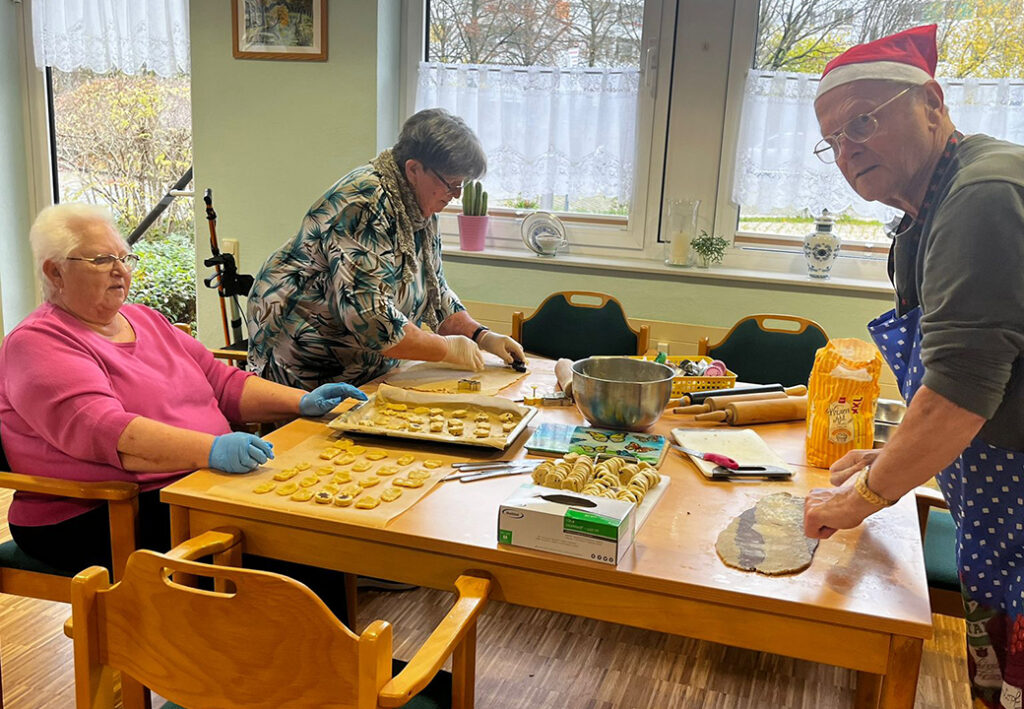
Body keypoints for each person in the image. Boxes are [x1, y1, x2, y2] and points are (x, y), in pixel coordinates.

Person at [802, 25, 1024, 707]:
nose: (848, 149)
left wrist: (861, 496)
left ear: (932, 101)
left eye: (863, 122)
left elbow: (956, 397)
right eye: (833, 140)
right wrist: (888, 456)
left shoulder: (982, 196)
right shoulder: (927, 212)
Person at [0, 203, 365, 618]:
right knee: (284, 545)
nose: (120, 270)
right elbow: (108, 434)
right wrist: (211, 450)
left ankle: (328, 670)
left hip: (189, 486)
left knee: (313, 524)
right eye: (102, 260)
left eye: (124, 257)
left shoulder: (147, 320)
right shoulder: (38, 343)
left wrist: (300, 401)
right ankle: (271, 672)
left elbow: (223, 383)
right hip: (97, 512)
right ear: (54, 272)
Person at [246, 108, 526, 389]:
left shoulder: (419, 207)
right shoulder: (363, 203)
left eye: (461, 184)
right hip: (304, 361)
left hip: (363, 367)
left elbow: (435, 289)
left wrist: (482, 336)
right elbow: (370, 320)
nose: (457, 195)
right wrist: (446, 349)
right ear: (414, 169)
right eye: (451, 184)